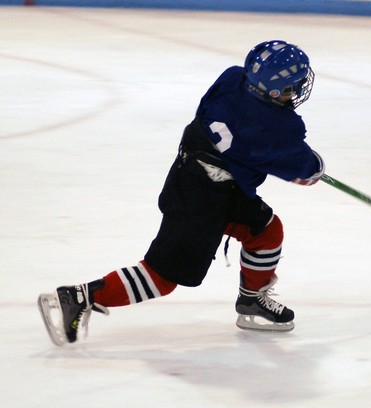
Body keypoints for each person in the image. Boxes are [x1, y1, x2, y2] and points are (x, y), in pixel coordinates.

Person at [37, 40, 325, 346]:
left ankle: (251, 301)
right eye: (293, 85)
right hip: (199, 198)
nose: (297, 90)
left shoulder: (232, 78)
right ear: (275, 91)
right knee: (161, 277)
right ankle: (78, 297)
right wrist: (314, 166)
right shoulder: (280, 128)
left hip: (204, 176)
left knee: (266, 231)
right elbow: (306, 171)